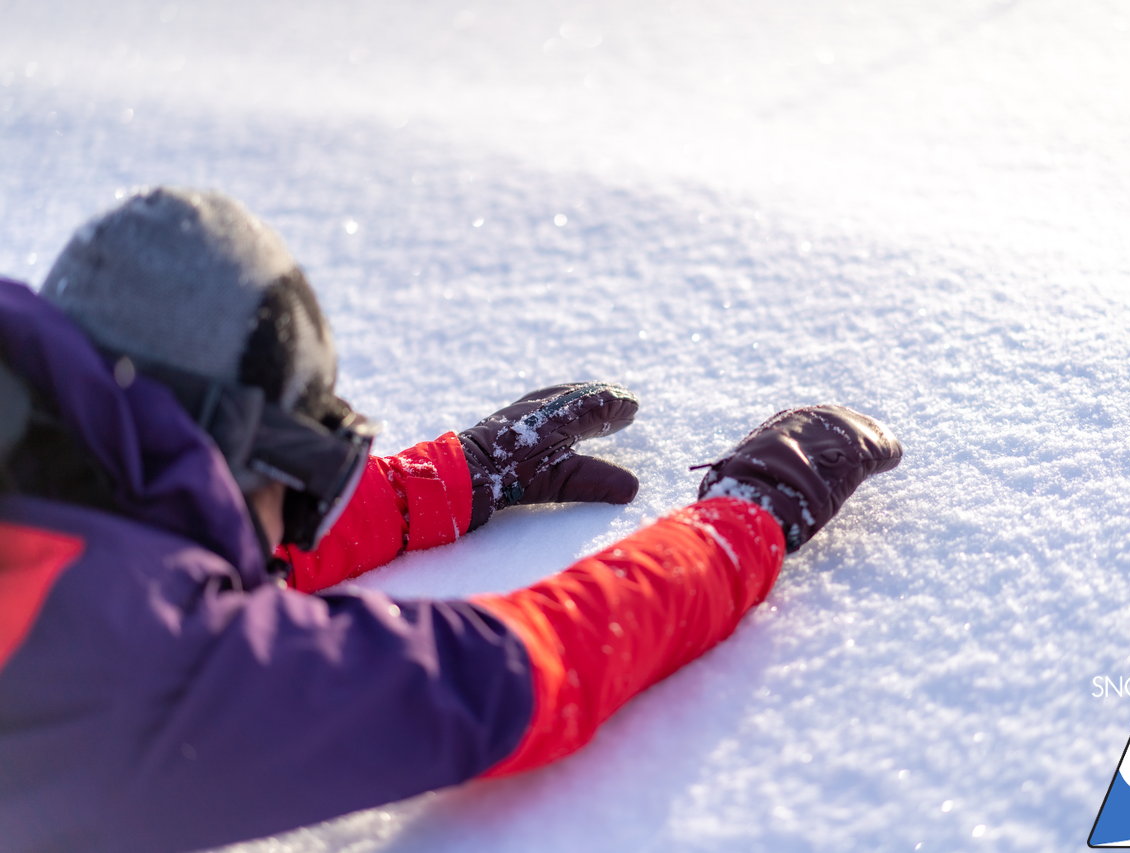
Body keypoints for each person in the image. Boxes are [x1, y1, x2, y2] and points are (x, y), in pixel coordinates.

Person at [0, 188, 902, 853]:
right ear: (233, 454)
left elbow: (147, 537)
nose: (291, 531)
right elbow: (516, 668)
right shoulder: (146, 675)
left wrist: (457, 480)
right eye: (299, 481)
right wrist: (748, 519)